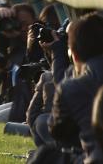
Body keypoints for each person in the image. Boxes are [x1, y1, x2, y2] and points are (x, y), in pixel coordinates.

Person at [49, 13, 103, 162]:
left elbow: (57, 130)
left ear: (74, 54)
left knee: (46, 155)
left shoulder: (71, 87)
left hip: (95, 157)